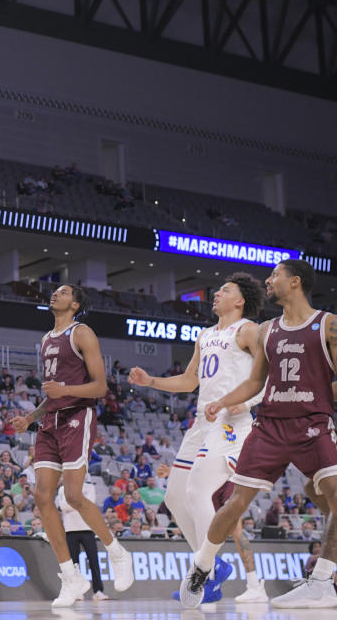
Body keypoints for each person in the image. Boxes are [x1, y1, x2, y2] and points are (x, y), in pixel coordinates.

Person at [180, 260, 337, 609]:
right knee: (236, 501)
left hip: (313, 423)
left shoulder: (328, 325)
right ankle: (201, 568)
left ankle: (322, 582)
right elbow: (254, 382)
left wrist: (318, 390)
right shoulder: (266, 330)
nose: (268, 280)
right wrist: (223, 400)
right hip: (270, 425)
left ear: (294, 282)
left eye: (275, 275)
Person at [130, 272, 268, 604]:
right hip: (201, 421)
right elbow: (190, 381)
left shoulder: (249, 330)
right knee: (175, 497)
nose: (216, 293)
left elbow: (265, 380)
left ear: (240, 301)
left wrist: (236, 402)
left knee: (197, 490)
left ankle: (202, 570)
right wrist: (151, 381)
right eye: (217, 289)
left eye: (225, 290)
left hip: (231, 421)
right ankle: (212, 566)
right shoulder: (204, 335)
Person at [11, 285, 133, 607]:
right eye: (54, 291)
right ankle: (70, 576)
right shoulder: (46, 339)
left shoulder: (82, 333)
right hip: (50, 421)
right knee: (41, 496)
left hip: (78, 416)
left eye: (62, 292)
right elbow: (52, 393)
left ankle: (117, 552)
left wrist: (63, 390)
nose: (55, 294)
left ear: (75, 303)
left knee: (75, 495)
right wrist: (31, 416)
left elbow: (100, 387)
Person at [57, 480, 107, 600]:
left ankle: (98, 591)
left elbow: (89, 504)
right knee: (74, 564)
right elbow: (62, 506)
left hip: (88, 528)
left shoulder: (89, 487)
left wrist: (72, 504)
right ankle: (76, 591)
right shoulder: (62, 489)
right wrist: (79, 503)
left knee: (94, 561)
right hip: (69, 530)